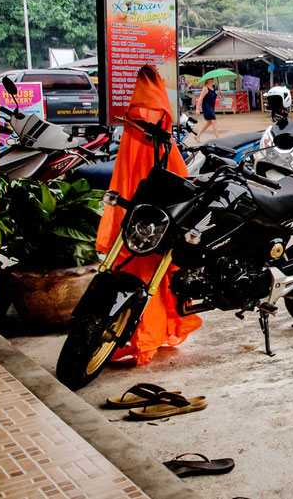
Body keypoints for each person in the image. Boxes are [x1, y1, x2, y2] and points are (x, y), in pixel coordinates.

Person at [97, 65, 201, 365]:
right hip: (152, 219)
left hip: (139, 219)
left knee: (144, 274)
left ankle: (145, 334)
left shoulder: (134, 128)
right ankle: (148, 334)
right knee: (153, 276)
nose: (148, 119)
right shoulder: (160, 134)